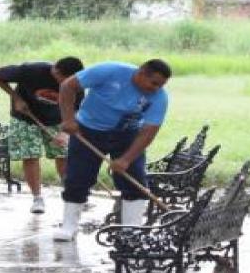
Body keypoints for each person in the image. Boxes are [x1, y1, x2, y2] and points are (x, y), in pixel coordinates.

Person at [53, 59, 171, 241]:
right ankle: (69, 227)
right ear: (140, 73)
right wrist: (68, 119)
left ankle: (131, 231)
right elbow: (68, 86)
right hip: (88, 130)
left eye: (161, 85)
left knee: (134, 181)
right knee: (77, 178)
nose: (156, 89)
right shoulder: (109, 71)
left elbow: (148, 132)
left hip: (127, 134)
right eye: (154, 83)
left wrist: (126, 159)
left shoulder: (159, 97)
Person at [0, 57, 84, 213]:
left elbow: (77, 110)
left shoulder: (77, 83)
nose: (68, 83)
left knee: (64, 154)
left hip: (58, 119)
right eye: (64, 79)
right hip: (26, 117)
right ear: (55, 70)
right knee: (30, 155)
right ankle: (37, 198)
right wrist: (16, 98)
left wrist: (63, 133)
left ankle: (71, 195)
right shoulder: (32, 70)